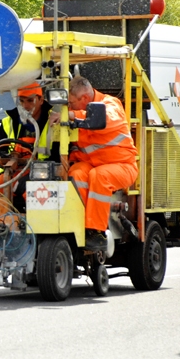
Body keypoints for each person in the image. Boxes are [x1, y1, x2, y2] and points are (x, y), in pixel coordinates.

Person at [65, 75, 138, 251]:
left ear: (84, 99)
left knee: (100, 176)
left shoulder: (111, 104)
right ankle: (76, 225)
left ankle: (95, 231)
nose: (69, 107)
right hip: (92, 165)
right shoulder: (78, 115)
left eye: (71, 103)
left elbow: (104, 120)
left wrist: (74, 115)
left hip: (123, 166)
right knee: (76, 173)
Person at [0, 83, 61, 212]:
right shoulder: (9, 122)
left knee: (30, 192)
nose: (25, 106)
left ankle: (35, 225)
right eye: (21, 101)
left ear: (40, 100)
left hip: (44, 175)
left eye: (30, 100)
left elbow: (58, 157)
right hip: (13, 172)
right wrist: (6, 158)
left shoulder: (55, 121)